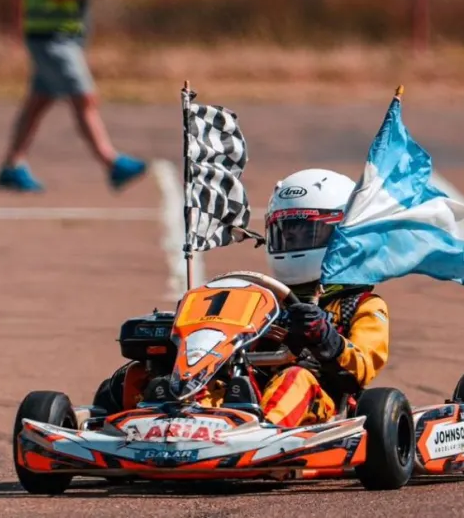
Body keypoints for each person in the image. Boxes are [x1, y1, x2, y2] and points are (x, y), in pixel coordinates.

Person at [92, 168, 391, 428]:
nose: (292, 241)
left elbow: (361, 370)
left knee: (295, 378)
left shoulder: (361, 305)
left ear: (341, 236)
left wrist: (326, 338)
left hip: (320, 402)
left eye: (305, 233)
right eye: (286, 233)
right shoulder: (264, 297)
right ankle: (151, 424)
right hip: (245, 394)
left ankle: (261, 435)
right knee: (142, 375)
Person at [0, 0, 147, 192]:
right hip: (50, 36)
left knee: (38, 102)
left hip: (63, 35)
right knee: (84, 98)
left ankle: (12, 165)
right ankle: (111, 162)